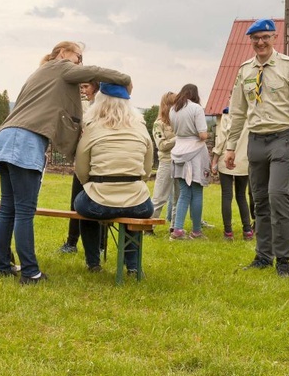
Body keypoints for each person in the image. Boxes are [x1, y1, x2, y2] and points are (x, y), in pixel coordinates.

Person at [0, 42, 131, 284]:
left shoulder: (40, 73)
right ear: (62, 53)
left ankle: (2, 266)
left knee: (8, 208)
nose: (80, 62)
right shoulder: (61, 67)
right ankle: (30, 272)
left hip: (4, 137)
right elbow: (95, 72)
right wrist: (124, 78)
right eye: (79, 56)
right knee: (24, 211)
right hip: (25, 140)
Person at [225, 19, 289, 277]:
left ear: (274, 37)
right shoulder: (244, 71)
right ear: (250, 41)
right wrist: (230, 147)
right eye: (255, 38)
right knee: (259, 200)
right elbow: (238, 112)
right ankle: (263, 255)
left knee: (277, 196)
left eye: (265, 37)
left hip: (283, 139)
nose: (260, 42)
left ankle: (284, 260)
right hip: (256, 141)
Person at [74, 83, 154, 274]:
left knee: (82, 208)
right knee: (133, 213)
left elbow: (81, 169)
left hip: (98, 201)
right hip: (138, 202)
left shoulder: (92, 126)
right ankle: (133, 266)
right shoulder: (140, 127)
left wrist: (91, 185)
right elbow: (147, 169)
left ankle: (93, 263)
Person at [60, 81, 100, 254]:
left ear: (96, 87)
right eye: (81, 87)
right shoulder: (82, 104)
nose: (83, 91)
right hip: (82, 156)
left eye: (86, 87)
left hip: (97, 159)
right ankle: (72, 241)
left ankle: (99, 245)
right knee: (75, 200)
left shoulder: (101, 105)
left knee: (98, 200)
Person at [169, 84, 211, 240]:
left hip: (179, 150)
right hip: (195, 152)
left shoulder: (173, 109)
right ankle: (196, 231)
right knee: (197, 191)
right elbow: (202, 135)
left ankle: (178, 230)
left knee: (184, 193)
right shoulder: (196, 108)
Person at [211, 106, 254, 241]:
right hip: (244, 160)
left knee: (227, 196)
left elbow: (222, 139)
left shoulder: (227, 115)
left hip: (227, 157)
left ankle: (228, 232)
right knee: (241, 196)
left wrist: (215, 159)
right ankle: (247, 230)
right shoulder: (251, 115)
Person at [149, 91, 177, 229]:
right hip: (166, 162)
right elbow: (162, 145)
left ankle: (175, 226)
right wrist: (179, 138)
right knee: (160, 197)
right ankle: (149, 226)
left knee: (178, 197)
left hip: (180, 162)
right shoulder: (158, 124)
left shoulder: (178, 122)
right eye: (173, 103)